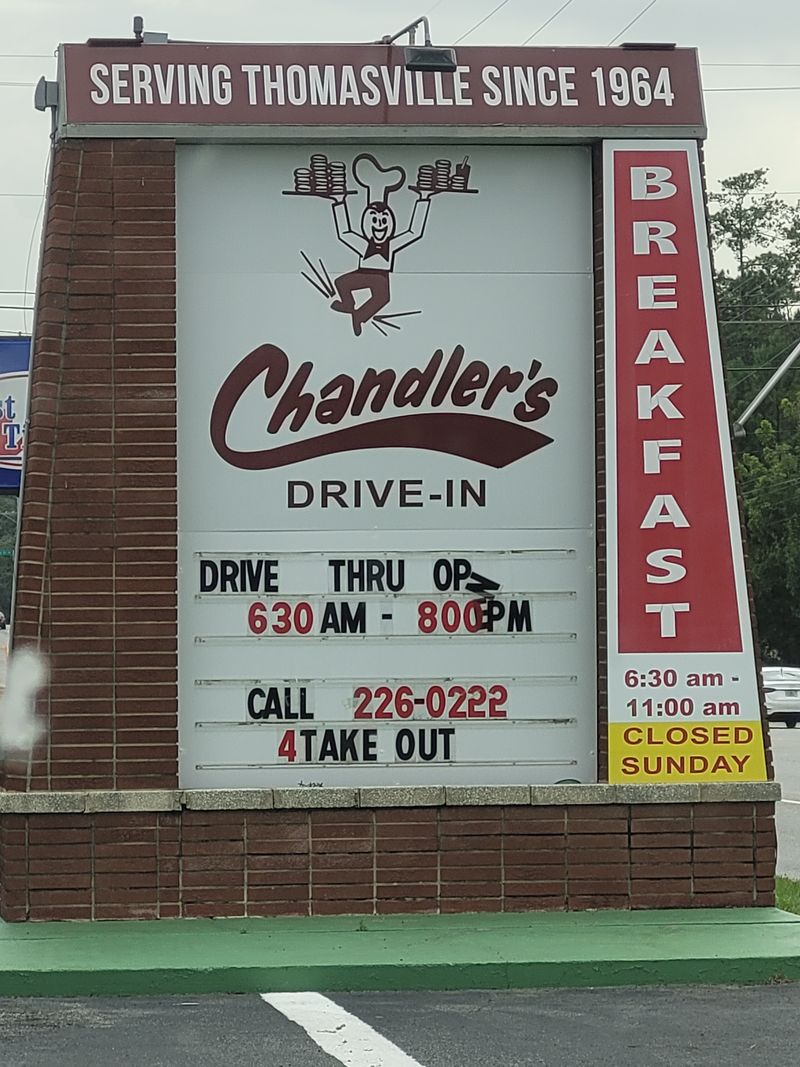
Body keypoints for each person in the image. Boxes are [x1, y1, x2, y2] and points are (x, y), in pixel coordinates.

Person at [330, 153, 432, 335]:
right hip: (364, 273)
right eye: (374, 220)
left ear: (391, 223)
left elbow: (414, 232)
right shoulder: (364, 245)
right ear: (366, 223)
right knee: (341, 282)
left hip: (380, 277)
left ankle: (359, 316)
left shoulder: (391, 245)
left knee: (382, 297)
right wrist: (339, 202)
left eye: (384, 220)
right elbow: (344, 233)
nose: (379, 225)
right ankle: (351, 307)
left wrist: (423, 199)